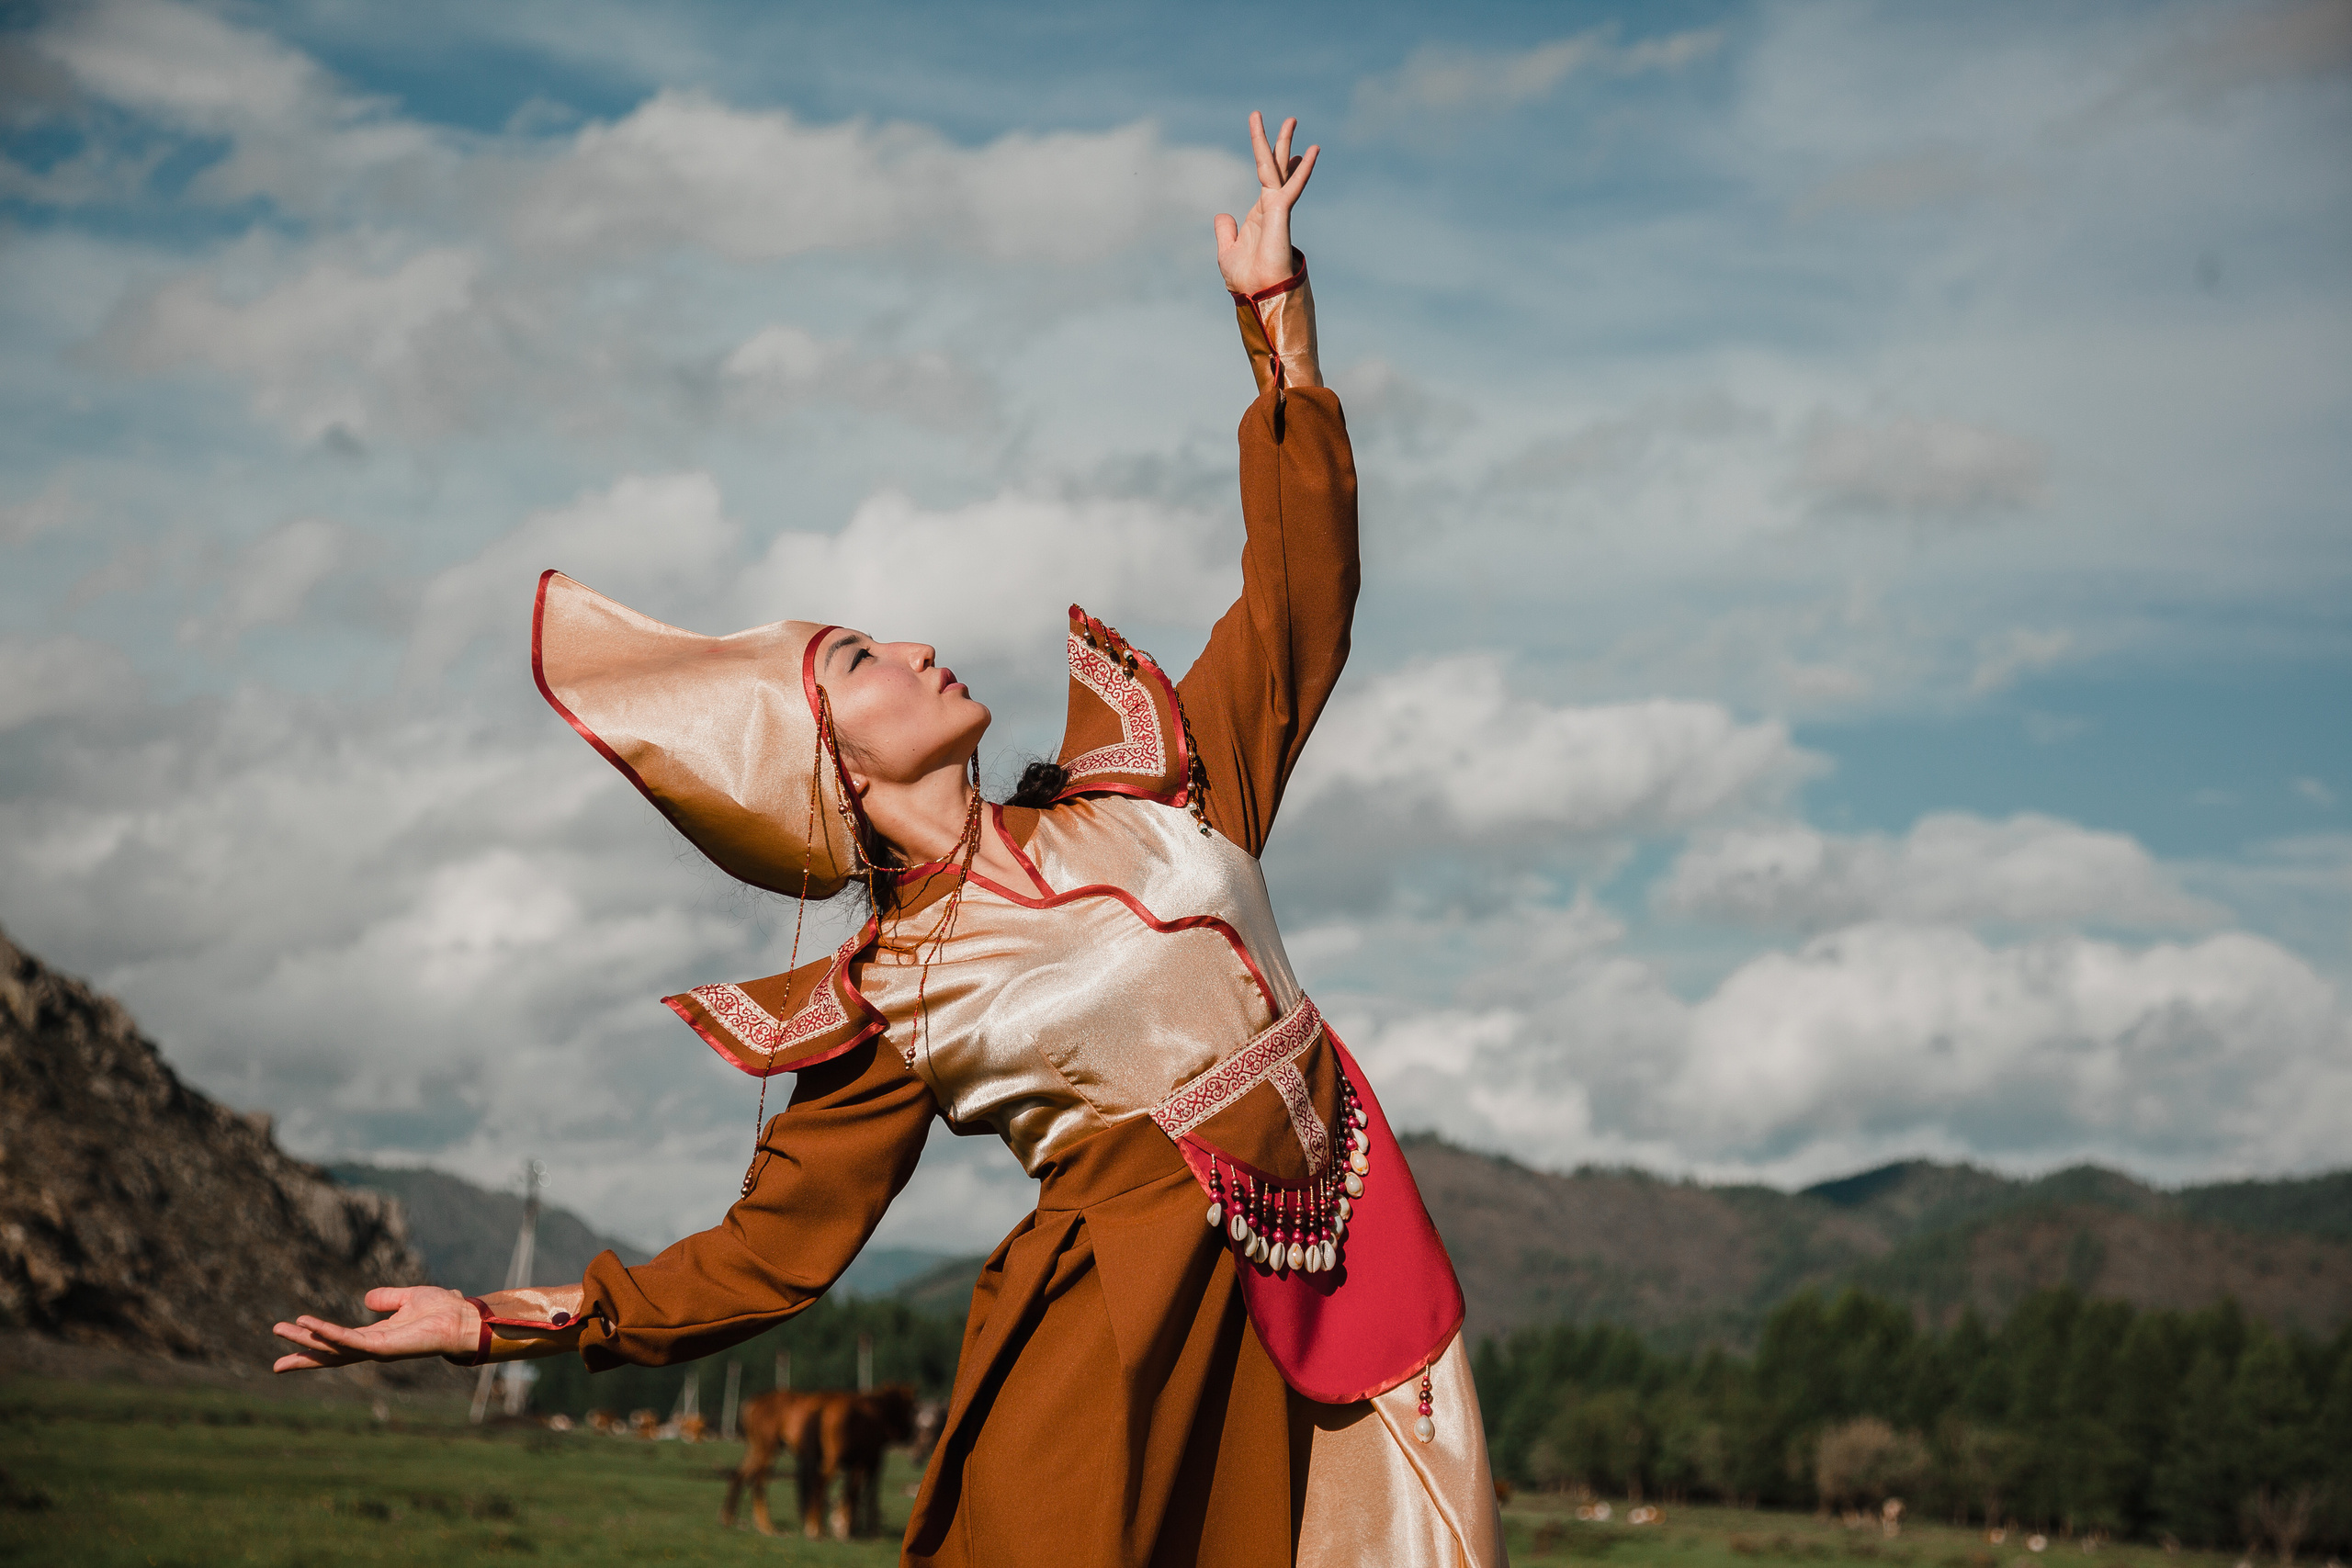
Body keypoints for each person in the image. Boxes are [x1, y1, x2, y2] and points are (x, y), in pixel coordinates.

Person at [275, 112, 1507, 1568]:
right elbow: (767, 1259)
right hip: (1118, 1355)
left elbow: (1302, 598)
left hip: (1354, 1281)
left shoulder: (1165, 793)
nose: (918, 648)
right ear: (832, 768)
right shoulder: (889, 998)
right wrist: (500, 1320)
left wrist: (1276, 324)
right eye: (862, 660)